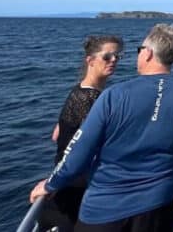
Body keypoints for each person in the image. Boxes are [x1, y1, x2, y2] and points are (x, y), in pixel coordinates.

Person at [30, 23, 173, 232]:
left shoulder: (114, 95)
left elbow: (79, 152)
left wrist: (51, 184)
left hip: (106, 209)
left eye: (139, 50)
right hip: (160, 203)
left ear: (148, 54)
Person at [38, 35, 124, 232]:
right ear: (90, 60)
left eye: (117, 57)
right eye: (107, 57)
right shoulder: (89, 98)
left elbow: (57, 135)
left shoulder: (80, 92)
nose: (114, 61)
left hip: (69, 181)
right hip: (76, 187)